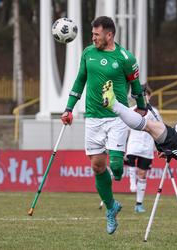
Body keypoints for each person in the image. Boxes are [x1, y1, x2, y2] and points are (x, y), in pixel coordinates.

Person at [60, 16, 146, 235]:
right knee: (98, 166)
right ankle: (111, 208)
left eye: (96, 35)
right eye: (92, 34)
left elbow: (136, 86)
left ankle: (115, 176)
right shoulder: (88, 53)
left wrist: (142, 106)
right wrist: (69, 108)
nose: (93, 38)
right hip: (93, 118)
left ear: (109, 35)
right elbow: (80, 80)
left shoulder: (125, 58)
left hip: (117, 117)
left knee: (116, 167)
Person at [102, 61, 177, 168]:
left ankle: (114, 105)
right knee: (151, 127)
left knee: (150, 125)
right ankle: (114, 105)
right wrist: (167, 146)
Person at [124, 84, 162, 213]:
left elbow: (160, 128)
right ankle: (131, 182)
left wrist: (161, 146)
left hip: (147, 146)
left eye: (146, 95)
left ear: (150, 96)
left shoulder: (154, 112)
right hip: (133, 143)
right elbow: (126, 130)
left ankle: (139, 203)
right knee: (130, 162)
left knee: (142, 173)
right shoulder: (131, 110)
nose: (144, 97)